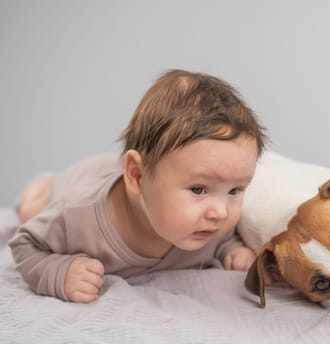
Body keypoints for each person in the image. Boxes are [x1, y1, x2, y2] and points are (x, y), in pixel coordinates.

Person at [9, 69, 267, 303]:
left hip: (125, 169)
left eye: (235, 191)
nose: (220, 213)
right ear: (137, 176)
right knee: (30, 211)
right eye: (199, 190)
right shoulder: (77, 215)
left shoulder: (208, 221)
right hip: (80, 179)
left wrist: (230, 249)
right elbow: (24, 244)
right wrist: (57, 272)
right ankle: (42, 186)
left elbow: (223, 237)